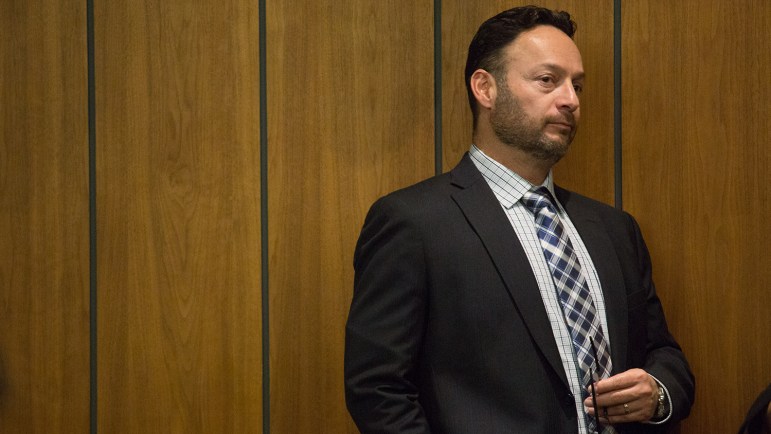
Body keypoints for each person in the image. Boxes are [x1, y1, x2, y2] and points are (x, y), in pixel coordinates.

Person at [344, 6, 695, 434]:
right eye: (548, 80)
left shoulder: (615, 229)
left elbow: (664, 354)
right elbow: (377, 390)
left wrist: (658, 393)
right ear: (485, 88)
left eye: (577, 85)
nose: (570, 100)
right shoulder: (414, 223)